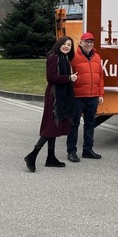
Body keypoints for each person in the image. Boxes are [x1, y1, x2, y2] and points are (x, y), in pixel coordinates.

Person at [24, 36, 77, 172]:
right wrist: (69, 78)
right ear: (59, 44)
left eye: (69, 45)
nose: (66, 47)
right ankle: (32, 155)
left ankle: (51, 157)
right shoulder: (54, 57)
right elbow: (51, 77)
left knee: (55, 127)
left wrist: (70, 79)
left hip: (61, 97)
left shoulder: (64, 59)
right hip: (54, 97)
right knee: (51, 126)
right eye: (64, 44)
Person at [67, 32, 105, 162]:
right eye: (86, 42)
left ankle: (88, 150)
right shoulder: (73, 57)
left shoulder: (97, 57)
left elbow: (100, 77)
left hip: (93, 96)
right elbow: (67, 75)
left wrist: (100, 94)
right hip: (77, 97)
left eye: (91, 42)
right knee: (74, 125)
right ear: (80, 43)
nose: (89, 44)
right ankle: (71, 151)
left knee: (90, 124)